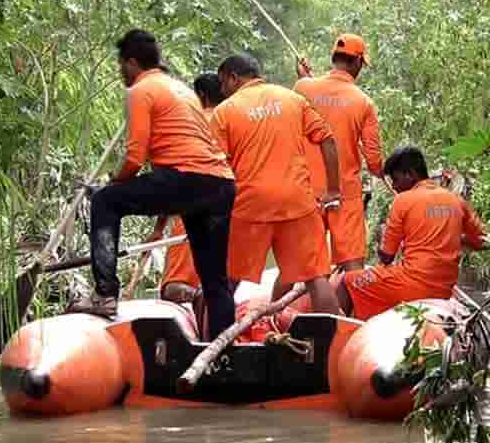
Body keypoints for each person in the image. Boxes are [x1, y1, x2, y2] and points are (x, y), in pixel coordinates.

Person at [72, 30, 237, 339]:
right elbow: (172, 167)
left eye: (121, 64)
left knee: (105, 202)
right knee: (215, 280)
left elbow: (135, 158)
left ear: (132, 63)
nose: (121, 71)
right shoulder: (182, 90)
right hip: (220, 184)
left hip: (187, 180)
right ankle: (222, 351)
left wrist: (110, 184)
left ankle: (105, 293)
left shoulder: (141, 89)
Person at [212, 51, 341, 313]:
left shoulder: (224, 111)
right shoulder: (293, 99)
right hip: (297, 202)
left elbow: (214, 166)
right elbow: (328, 139)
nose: (222, 90)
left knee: (226, 280)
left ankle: (212, 343)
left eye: (222, 83)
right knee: (316, 278)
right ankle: (335, 344)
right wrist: (333, 190)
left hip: (250, 205)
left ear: (233, 78)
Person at [334, 146, 487, 320]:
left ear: (410, 174)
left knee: (347, 282)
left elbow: (386, 257)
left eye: (396, 179)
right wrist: (453, 238)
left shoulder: (403, 201)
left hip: (411, 285)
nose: (394, 186)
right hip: (444, 289)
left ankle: (337, 342)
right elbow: (482, 241)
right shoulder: (457, 201)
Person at [294, 34, 384, 274]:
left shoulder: (302, 88)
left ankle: (274, 311)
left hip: (306, 191)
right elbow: (374, 160)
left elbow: (305, 106)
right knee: (353, 263)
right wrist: (382, 173)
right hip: (345, 193)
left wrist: (304, 79)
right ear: (356, 62)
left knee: (298, 264)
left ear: (333, 58)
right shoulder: (364, 102)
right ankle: (351, 311)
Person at [159, 73, 226, 311]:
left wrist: (159, 228)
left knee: (173, 286)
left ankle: (198, 296)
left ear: (201, 96)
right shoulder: (234, 119)